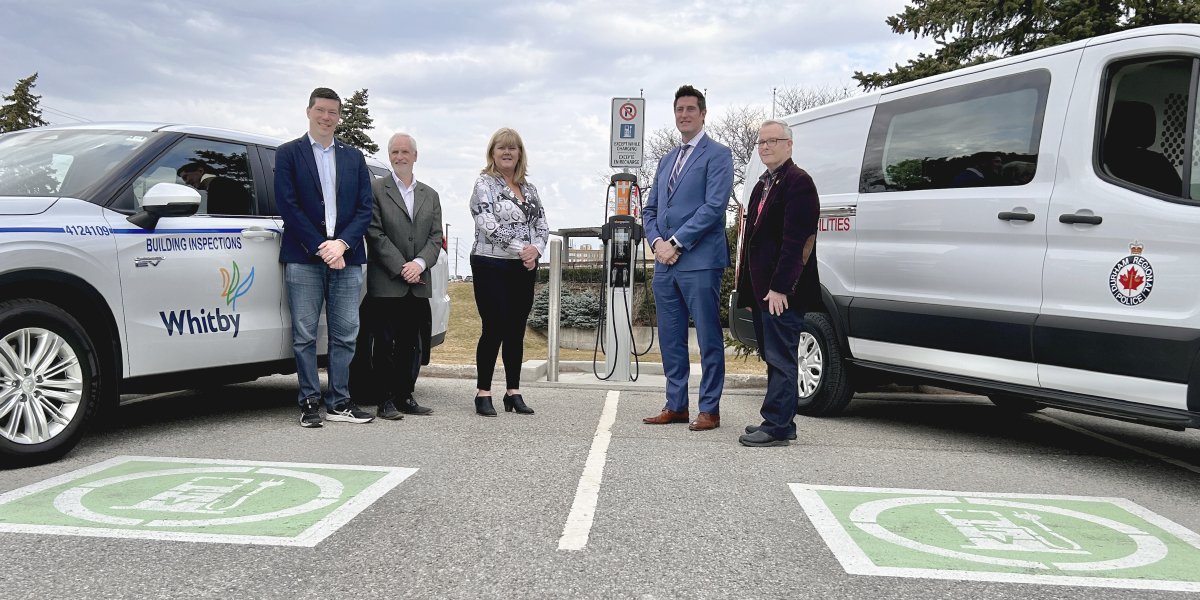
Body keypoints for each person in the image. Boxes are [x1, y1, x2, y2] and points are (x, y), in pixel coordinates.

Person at [275, 87, 375, 428]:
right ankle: (308, 402)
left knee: (346, 334)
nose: (326, 117)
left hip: (347, 257)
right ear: (308, 111)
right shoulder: (289, 153)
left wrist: (342, 245)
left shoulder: (353, 157)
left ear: (339, 116)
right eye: (321, 110)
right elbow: (288, 206)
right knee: (304, 334)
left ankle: (339, 402)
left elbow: (365, 208)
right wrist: (322, 246)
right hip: (304, 257)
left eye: (333, 112)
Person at [641, 85, 734, 432]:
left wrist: (677, 242)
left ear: (703, 113)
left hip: (699, 260)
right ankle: (676, 404)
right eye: (679, 109)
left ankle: (709, 409)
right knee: (670, 337)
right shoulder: (666, 160)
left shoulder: (718, 155)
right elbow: (649, 209)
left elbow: (713, 208)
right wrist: (657, 243)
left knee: (708, 337)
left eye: (690, 109)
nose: (684, 115)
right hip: (664, 263)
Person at [736, 120, 821, 447]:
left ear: (789, 145)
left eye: (773, 141)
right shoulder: (761, 186)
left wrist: (781, 287)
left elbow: (797, 242)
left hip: (781, 292)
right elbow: (753, 243)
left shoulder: (799, 183)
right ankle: (779, 421)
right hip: (761, 291)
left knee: (782, 358)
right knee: (773, 356)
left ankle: (777, 426)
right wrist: (748, 292)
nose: (766, 146)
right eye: (761, 142)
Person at [468, 127, 548, 417]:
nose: (506, 152)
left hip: (523, 268)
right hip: (490, 264)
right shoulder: (484, 184)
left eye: (512, 148)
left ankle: (513, 392)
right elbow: (487, 223)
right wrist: (521, 249)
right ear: (492, 152)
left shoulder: (530, 189)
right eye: (501, 147)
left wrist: (535, 250)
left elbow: (542, 226)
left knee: (515, 329)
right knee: (494, 327)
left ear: (519, 154)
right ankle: (483, 392)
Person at [363, 133, 442, 419]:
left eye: (405, 151)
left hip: (418, 282)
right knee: (383, 345)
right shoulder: (375, 189)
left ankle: (405, 396)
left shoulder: (430, 195)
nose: (400, 156)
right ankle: (384, 400)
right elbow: (374, 232)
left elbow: (435, 238)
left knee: (411, 344)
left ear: (415, 155)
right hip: (387, 282)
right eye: (394, 152)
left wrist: (419, 264)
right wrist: (401, 266)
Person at [177, 161, 253, 215]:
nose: (186, 182)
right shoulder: (220, 184)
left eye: (185, 177)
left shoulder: (220, 186)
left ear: (200, 171)